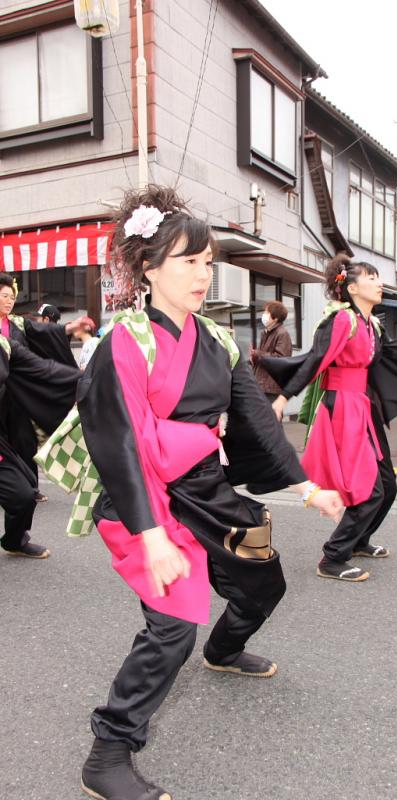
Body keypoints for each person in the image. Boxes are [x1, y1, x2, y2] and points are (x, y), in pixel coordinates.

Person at [70, 186, 342, 800]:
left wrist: (305, 487)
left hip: (203, 489)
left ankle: (225, 649)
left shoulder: (216, 340)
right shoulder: (125, 342)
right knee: (171, 627)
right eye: (187, 261)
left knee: (263, 582)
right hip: (142, 495)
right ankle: (108, 753)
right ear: (148, 267)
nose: (201, 273)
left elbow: (256, 418)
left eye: (207, 261)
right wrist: (151, 534)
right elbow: (116, 445)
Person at [262, 254, 397, 583]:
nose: (378, 282)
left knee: (387, 486)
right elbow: (315, 360)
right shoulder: (341, 320)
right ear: (351, 287)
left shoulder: (371, 324)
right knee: (371, 489)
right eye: (371, 277)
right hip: (342, 409)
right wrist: (283, 397)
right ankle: (333, 557)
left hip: (363, 406)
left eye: (378, 277)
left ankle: (358, 540)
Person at [0, 273, 87, 500]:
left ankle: (29, 487)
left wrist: (69, 328)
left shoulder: (18, 323)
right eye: (4, 296)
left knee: (24, 441)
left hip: (18, 394)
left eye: (11, 297)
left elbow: (45, 331)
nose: (9, 301)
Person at [0, 334, 79, 559]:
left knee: (23, 496)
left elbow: (46, 370)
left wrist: (87, 379)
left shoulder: (4, 346)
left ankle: (14, 541)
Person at [250, 301, 292, 404]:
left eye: (266, 312)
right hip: (261, 386)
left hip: (271, 388)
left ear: (275, 318)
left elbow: (281, 359)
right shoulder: (266, 333)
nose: (264, 315)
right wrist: (253, 357)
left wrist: (257, 354)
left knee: (270, 418)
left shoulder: (282, 333)